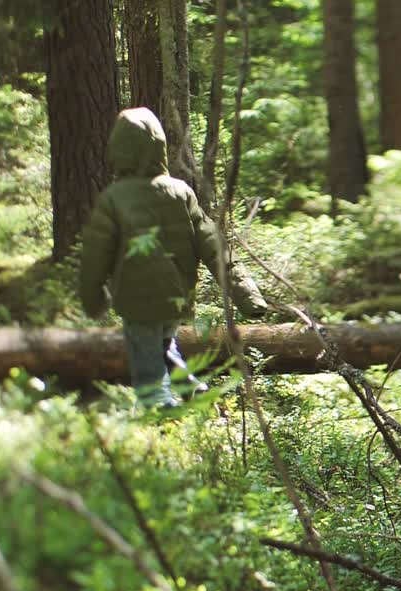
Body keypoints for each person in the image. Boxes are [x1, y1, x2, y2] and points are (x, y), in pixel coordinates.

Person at [79, 107, 267, 408]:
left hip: (138, 302)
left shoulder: (114, 198)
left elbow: (95, 255)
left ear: (119, 149)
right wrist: (247, 294)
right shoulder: (181, 192)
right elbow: (213, 245)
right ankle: (196, 393)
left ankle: (163, 418)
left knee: (148, 365)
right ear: (159, 148)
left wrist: (92, 299)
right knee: (165, 348)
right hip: (176, 299)